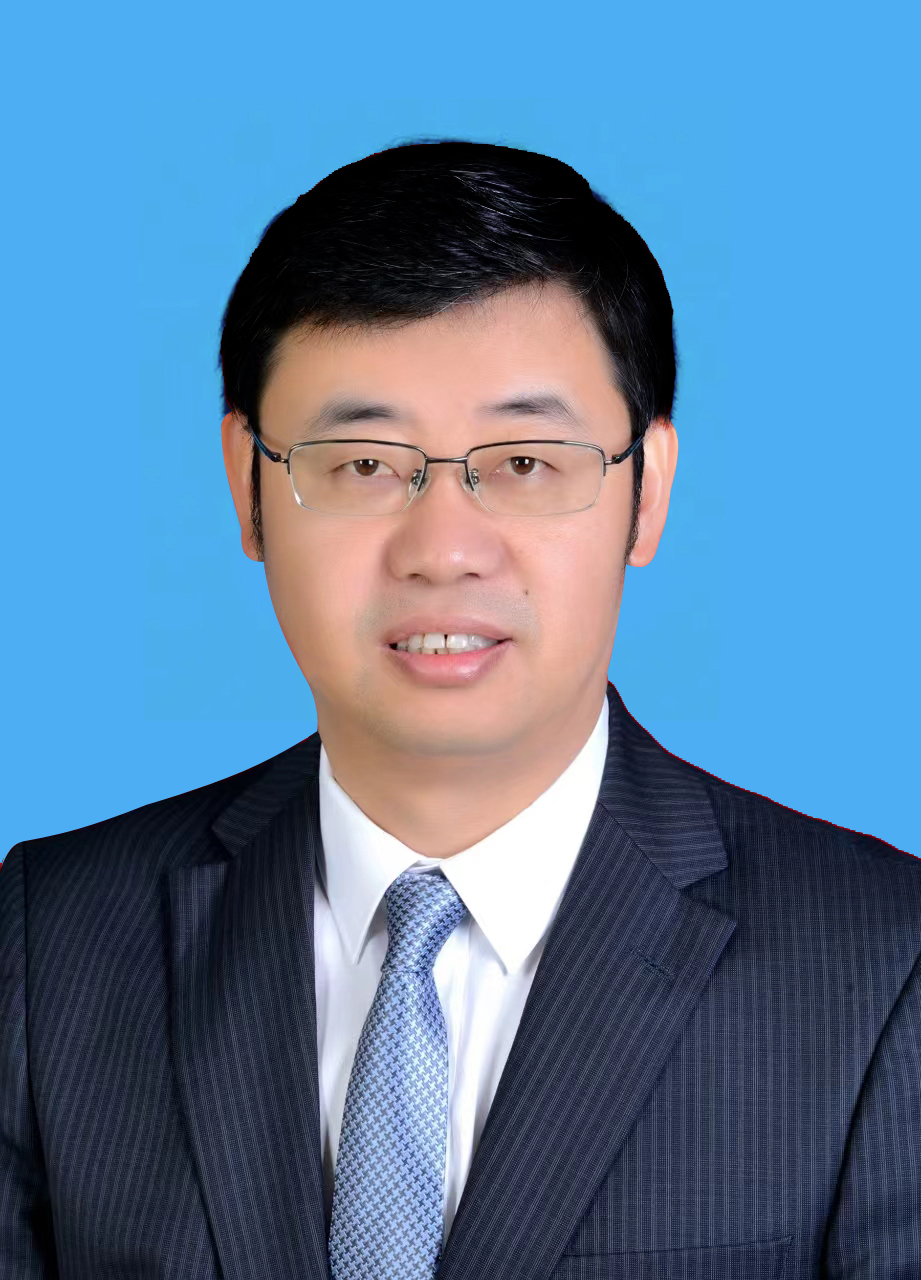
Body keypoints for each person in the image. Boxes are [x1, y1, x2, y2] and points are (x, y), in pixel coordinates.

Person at [1, 139, 918, 1280]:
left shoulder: (882, 964)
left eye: (526, 462)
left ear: (647, 490)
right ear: (248, 485)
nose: (442, 549)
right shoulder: (51, 938)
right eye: (362, 464)